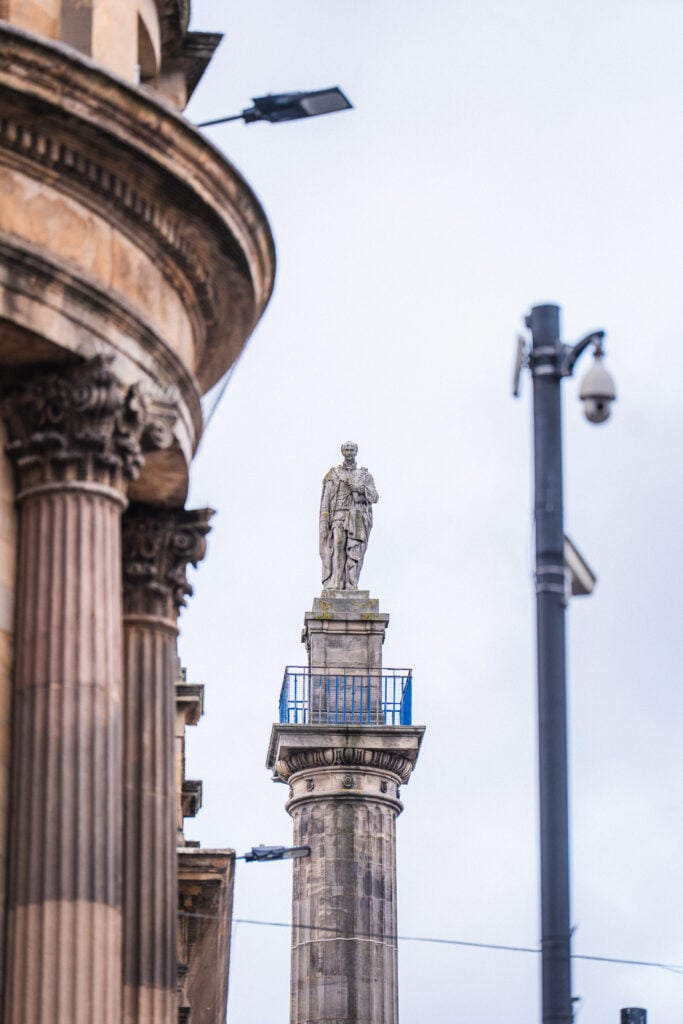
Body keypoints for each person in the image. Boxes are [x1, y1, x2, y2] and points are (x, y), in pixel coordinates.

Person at [319, 442, 378, 590]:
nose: (349, 452)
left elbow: (375, 497)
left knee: (353, 549)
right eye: (347, 449)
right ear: (342, 452)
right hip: (339, 513)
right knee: (338, 545)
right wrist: (324, 520)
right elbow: (326, 499)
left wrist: (361, 488)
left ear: (356, 451)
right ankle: (337, 582)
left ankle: (351, 583)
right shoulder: (334, 474)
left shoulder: (364, 475)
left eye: (352, 449)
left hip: (356, 516)